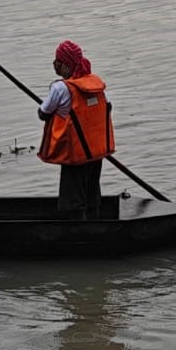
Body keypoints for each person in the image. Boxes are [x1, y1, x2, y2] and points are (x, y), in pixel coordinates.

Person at [37, 39, 114, 220]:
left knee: (73, 198)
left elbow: (43, 112)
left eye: (58, 61)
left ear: (66, 65)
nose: (55, 65)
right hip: (95, 153)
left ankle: (78, 230)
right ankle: (95, 222)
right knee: (92, 193)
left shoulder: (61, 88)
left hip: (75, 154)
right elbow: (107, 107)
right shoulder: (96, 84)